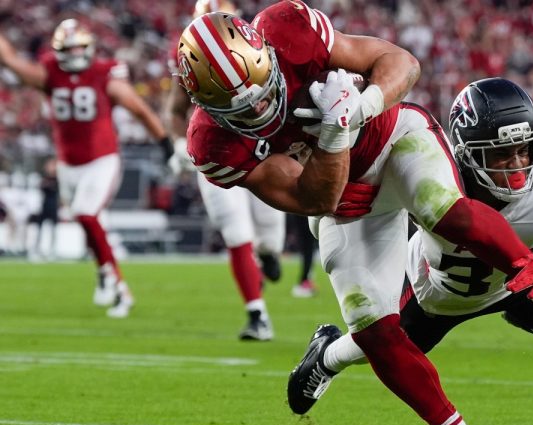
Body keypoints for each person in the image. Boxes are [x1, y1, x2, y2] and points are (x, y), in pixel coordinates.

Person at [176, 5, 533, 425]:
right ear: (202, 105)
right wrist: (334, 130)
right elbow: (317, 198)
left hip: (392, 137)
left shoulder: (288, 28)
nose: (263, 110)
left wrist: (362, 106)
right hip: (343, 199)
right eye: (243, 111)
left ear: (266, 53)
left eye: (265, 89)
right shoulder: (211, 145)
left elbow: (401, 62)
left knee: (445, 211)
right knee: (375, 330)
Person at [290, 79, 533, 410]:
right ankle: (325, 356)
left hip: (524, 281)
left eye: (525, 149)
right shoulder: (432, 172)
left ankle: (522, 313)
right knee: (377, 343)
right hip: (436, 293)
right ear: (467, 151)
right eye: (501, 153)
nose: (518, 164)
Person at [0, 19, 173, 318]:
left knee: (86, 213)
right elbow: (12, 61)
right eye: (69, 48)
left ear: (89, 47)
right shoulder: (49, 73)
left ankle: (120, 288)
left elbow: (138, 108)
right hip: (69, 164)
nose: (75, 52)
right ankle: (104, 273)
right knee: (91, 224)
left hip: (102, 159)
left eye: (79, 46)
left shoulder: (104, 74)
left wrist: (163, 140)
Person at [164, 0, 285, 341]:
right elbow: (174, 110)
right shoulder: (188, 62)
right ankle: (257, 313)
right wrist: (177, 144)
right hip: (218, 152)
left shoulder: (256, 48)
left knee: (269, 236)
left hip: (262, 151)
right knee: (236, 233)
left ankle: (267, 255)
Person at [30, 157, 60, 261]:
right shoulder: (44, 178)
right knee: (39, 229)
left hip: (54, 207)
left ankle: (52, 250)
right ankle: (36, 250)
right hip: (43, 206)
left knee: (54, 230)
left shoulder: (58, 178)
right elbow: (41, 188)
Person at [288, 214, 319, 298]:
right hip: (305, 211)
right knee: (308, 245)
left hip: (302, 210)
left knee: (307, 245)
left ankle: (306, 279)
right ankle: (306, 279)